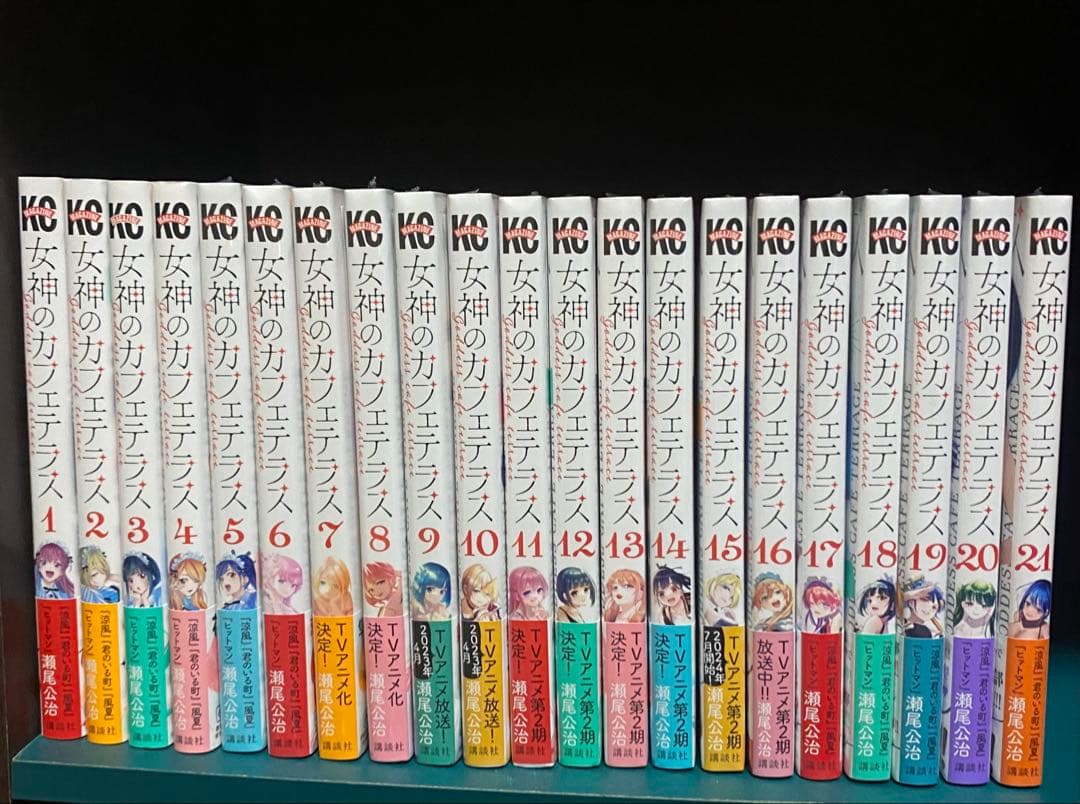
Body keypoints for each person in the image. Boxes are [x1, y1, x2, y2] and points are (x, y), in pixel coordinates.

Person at [902, 574, 944, 638]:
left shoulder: (932, 632)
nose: (932, 607)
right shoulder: (903, 623)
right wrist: (912, 595)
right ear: (911, 602)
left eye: (936, 607)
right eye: (925, 599)